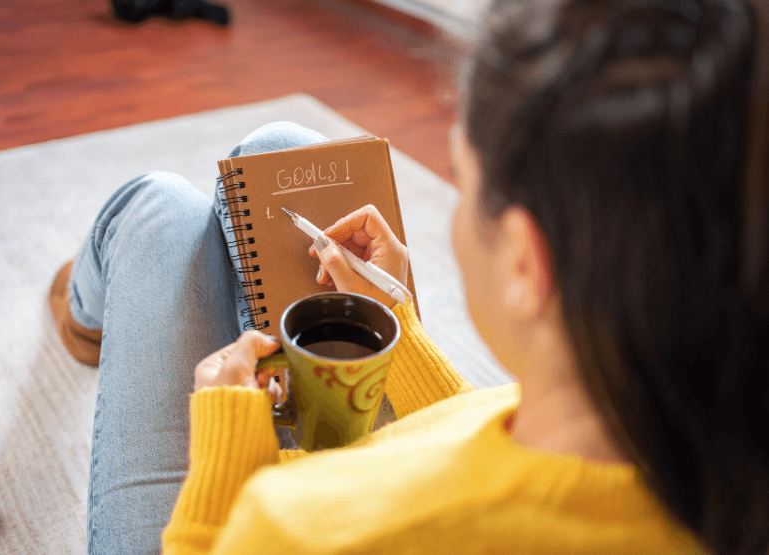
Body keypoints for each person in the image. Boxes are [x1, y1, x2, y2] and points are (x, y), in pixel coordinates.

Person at [48, 0, 769, 551]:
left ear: (524, 259)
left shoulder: (288, 525)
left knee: (156, 211)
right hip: (388, 467)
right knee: (278, 149)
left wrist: (227, 440)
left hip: (259, 511)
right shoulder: (704, 441)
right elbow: (487, 440)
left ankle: (87, 310)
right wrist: (406, 336)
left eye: (462, 180)